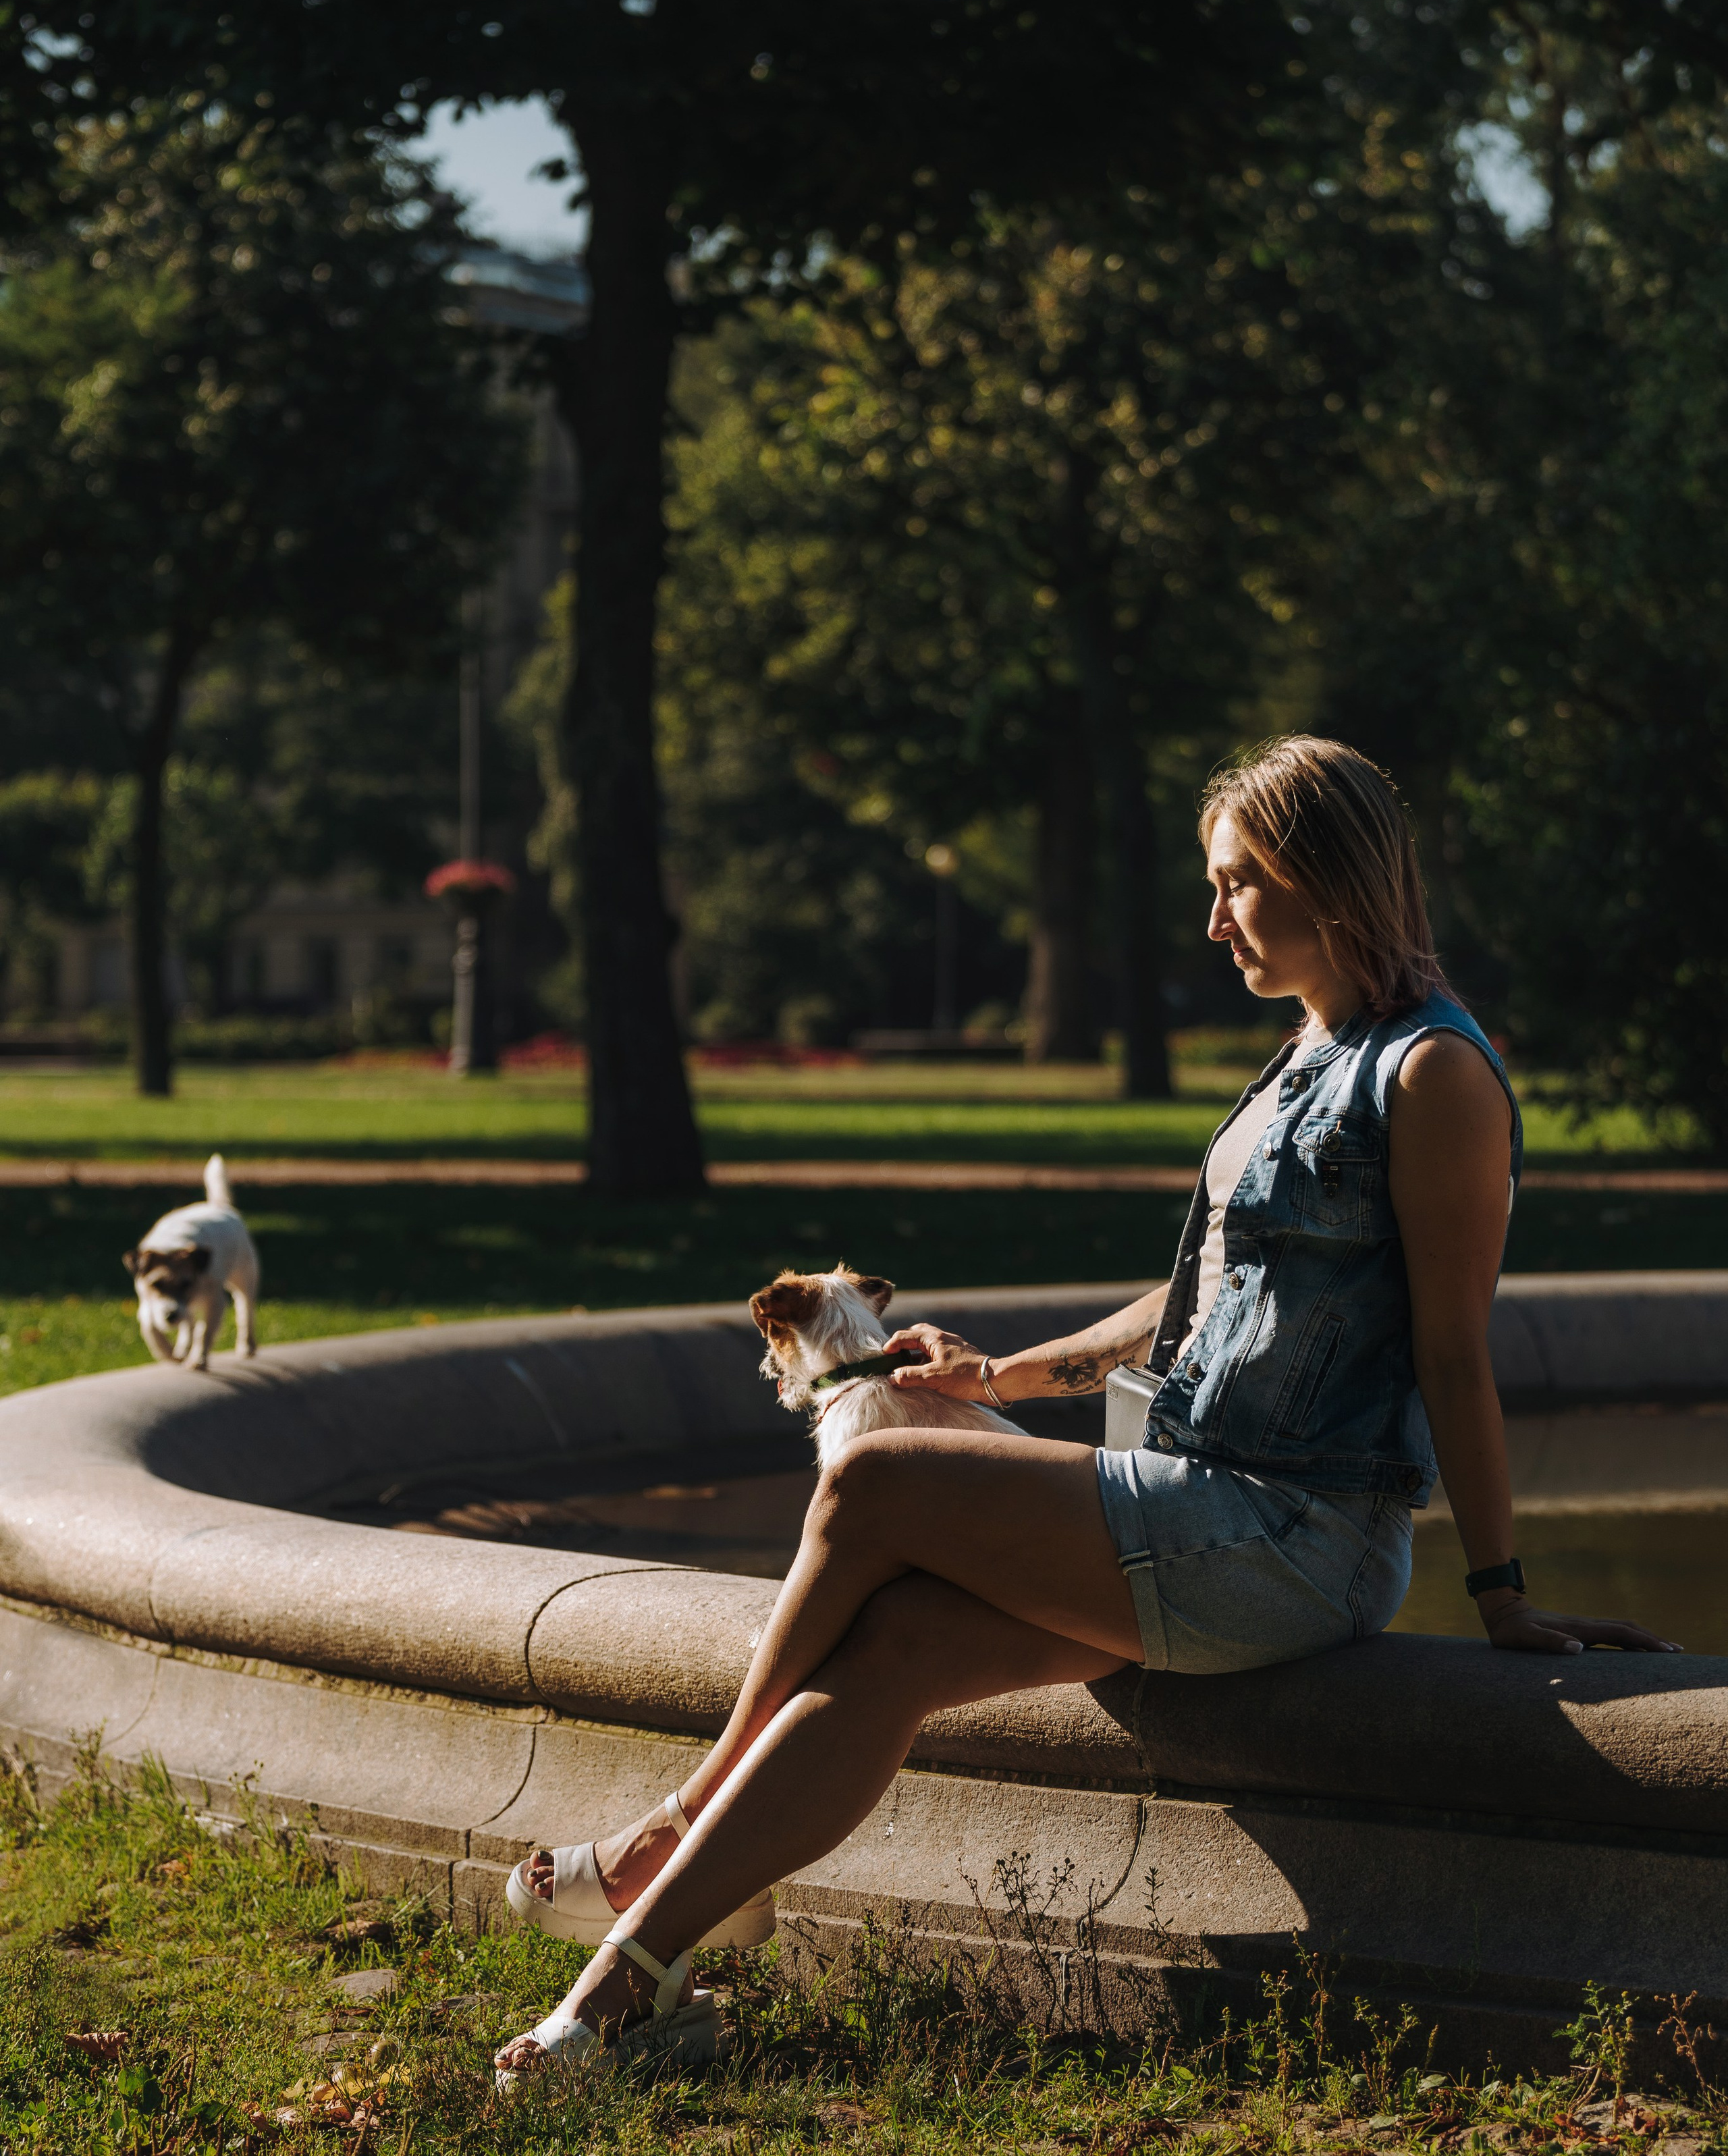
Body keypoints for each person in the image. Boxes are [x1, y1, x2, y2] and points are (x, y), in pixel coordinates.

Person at [495, 733, 1675, 2084]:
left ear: (1325, 874)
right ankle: (623, 1991)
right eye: (1213, 882)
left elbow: (1455, 1351)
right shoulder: (1301, 1056)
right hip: (1190, 1498)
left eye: (1237, 880)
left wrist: (1503, 1592)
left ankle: (670, 1824)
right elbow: (1176, 1313)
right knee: (894, 1639)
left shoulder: (1427, 1075)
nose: (1214, 912)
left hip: (1295, 1534)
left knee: (869, 1483)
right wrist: (993, 1378)